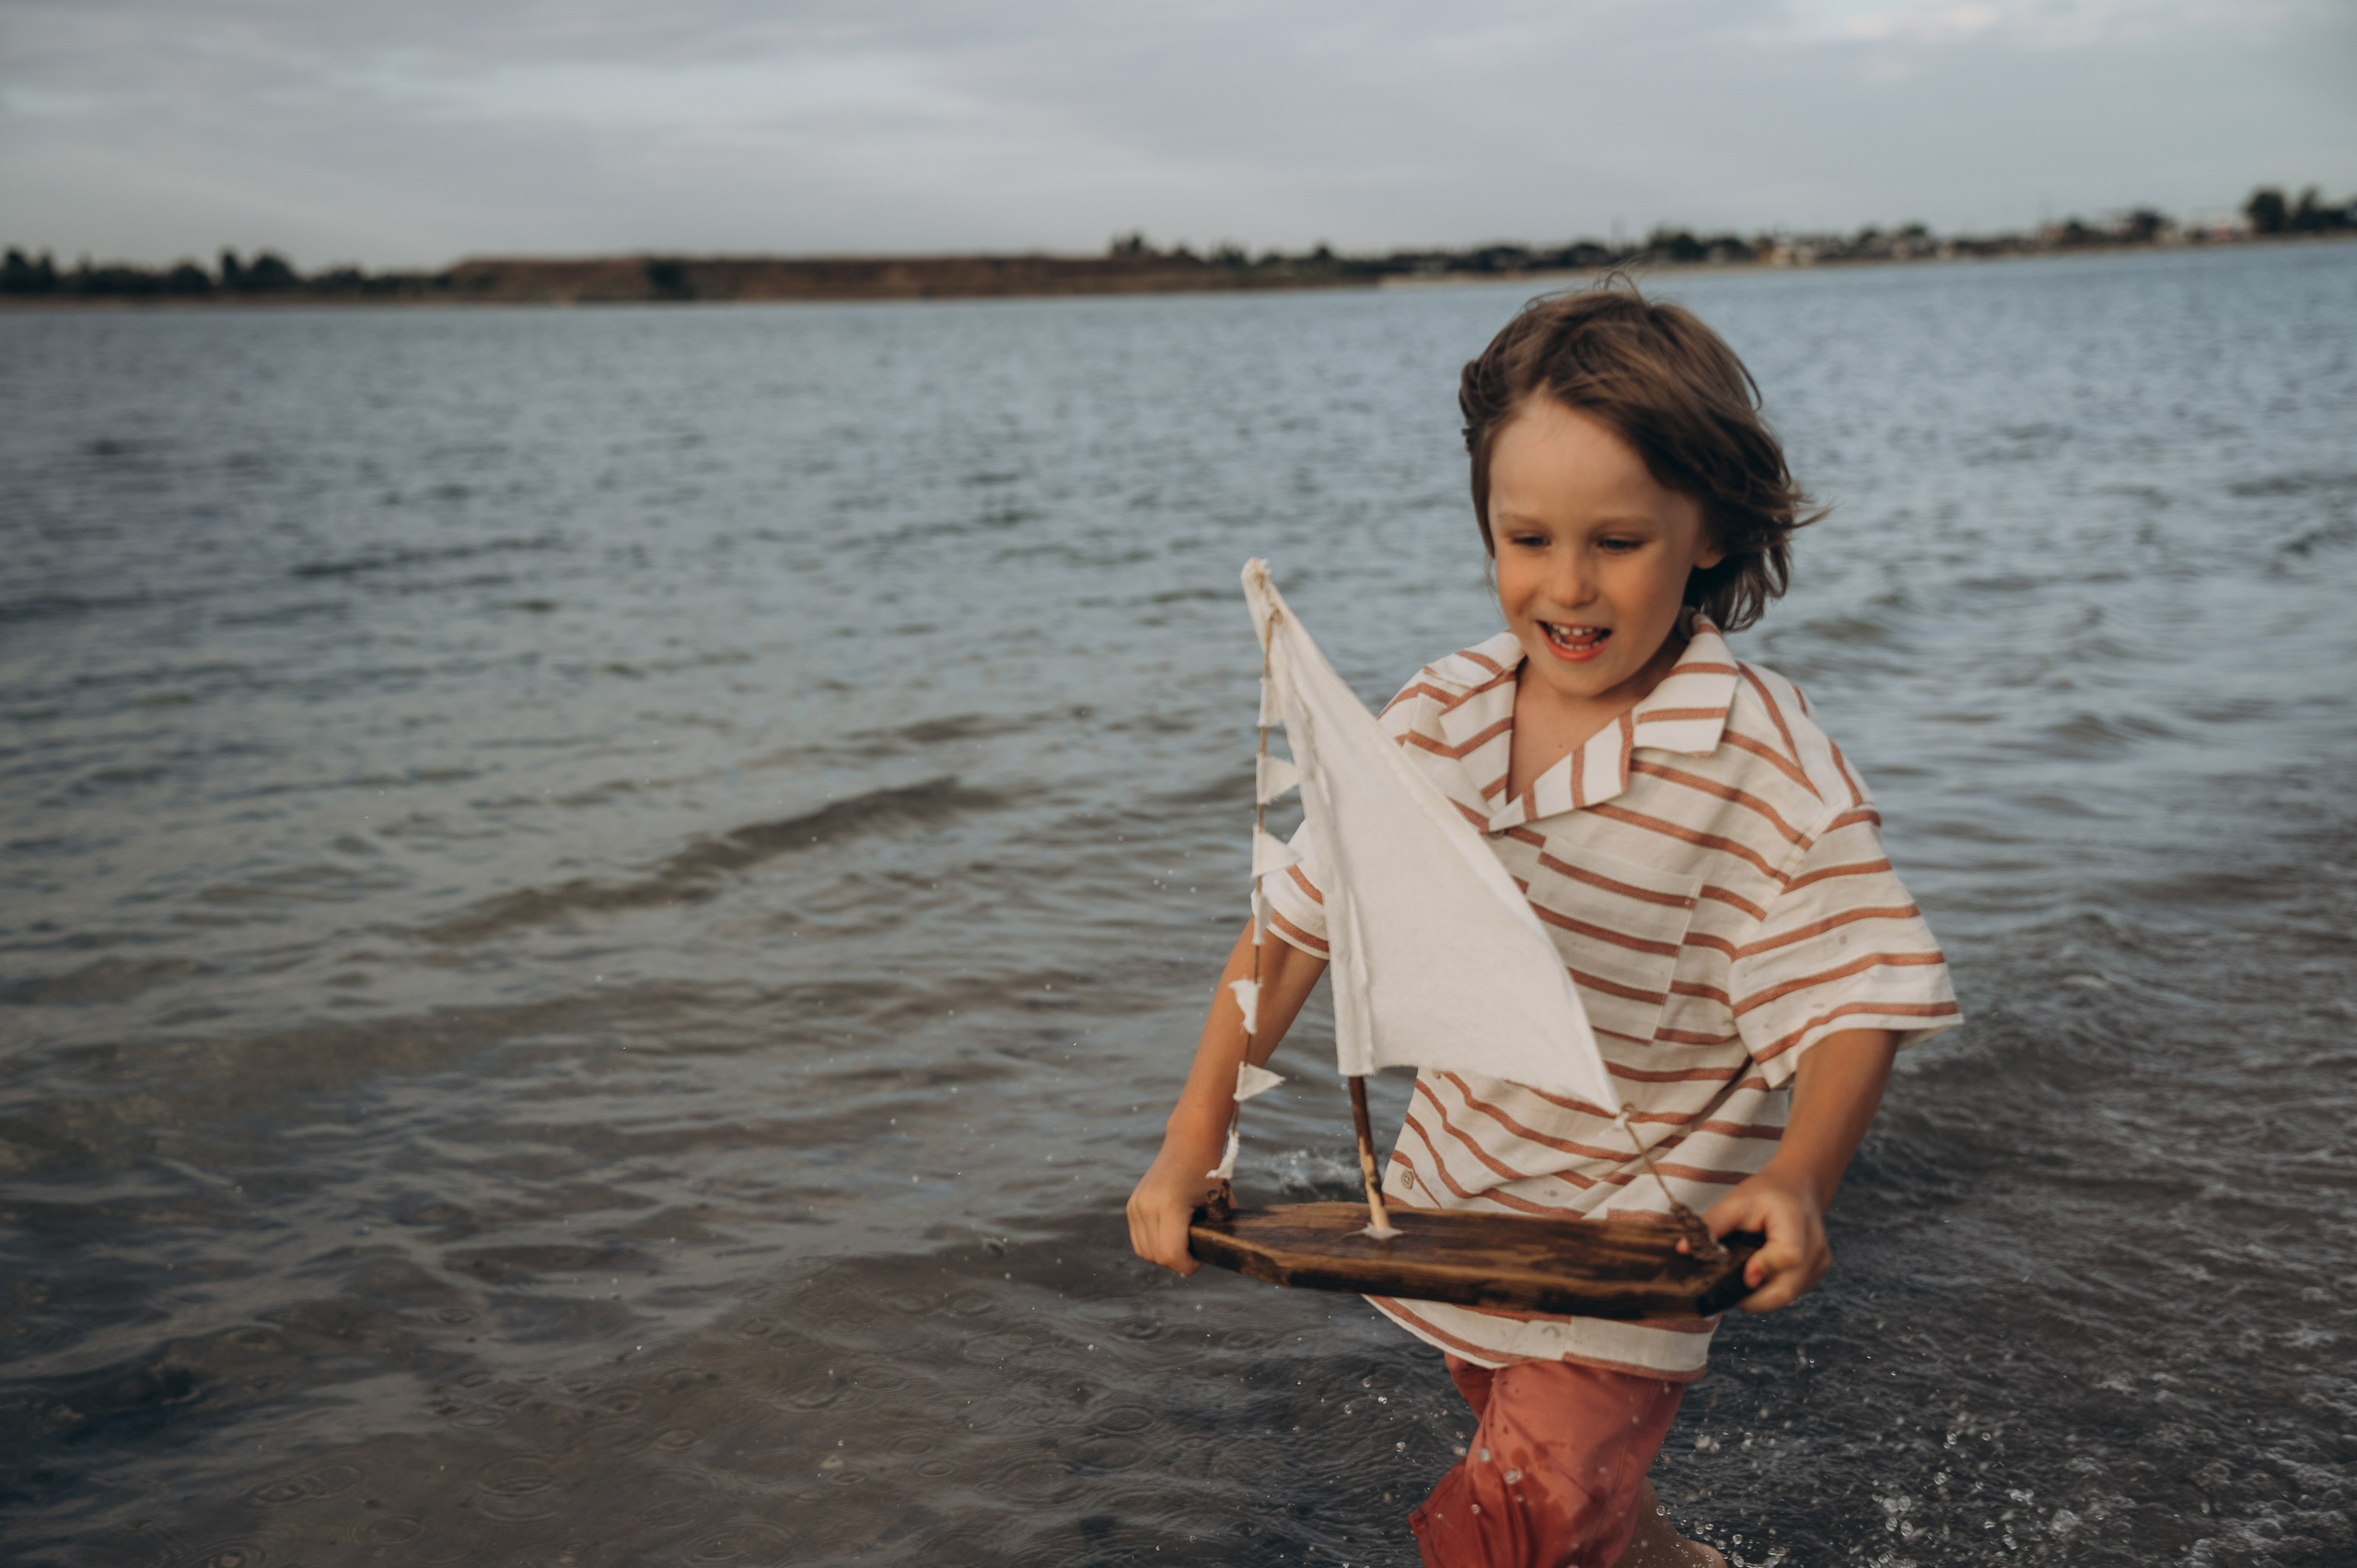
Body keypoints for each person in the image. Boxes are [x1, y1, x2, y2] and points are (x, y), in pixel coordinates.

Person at [1126, 283, 1962, 1568]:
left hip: (1637, 1244)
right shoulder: (1437, 720)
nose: (1565, 586)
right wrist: (1194, 1140)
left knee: (1515, 1527)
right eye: (1526, 539)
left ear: (1708, 532)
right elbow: (1292, 934)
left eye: (1617, 542)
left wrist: (1797, 1178)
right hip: (1465, 1211)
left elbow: (1855, 991)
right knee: (1584, 1516)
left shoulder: (1757, 756)